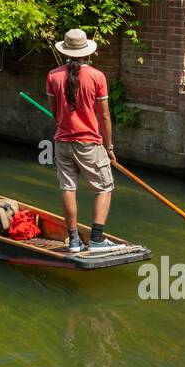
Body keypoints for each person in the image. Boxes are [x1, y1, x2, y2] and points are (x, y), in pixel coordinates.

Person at [46, 28, 118, 254]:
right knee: (105, 187)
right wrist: (109, 147)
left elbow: (56, 113)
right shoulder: (97, 76)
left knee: (68, 187)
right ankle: (96, 239)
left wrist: (64, 122)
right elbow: (104, 115)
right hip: (89, 143)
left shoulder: (53, 76)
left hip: (63, 143)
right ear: (87, 52)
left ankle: (74, 241)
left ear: (66, 52)